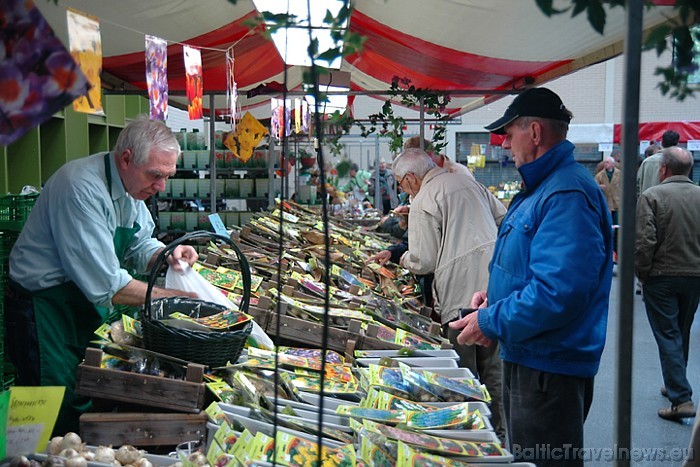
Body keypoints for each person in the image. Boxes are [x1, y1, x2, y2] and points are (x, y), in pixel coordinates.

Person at [449, 87, 613, 467]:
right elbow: (533, 272)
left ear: (535, 133)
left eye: (509, 134)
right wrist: (494, 300)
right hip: (533, 356)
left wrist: (491, 319)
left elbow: (558, 292)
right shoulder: (546, 187)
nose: (505, 144)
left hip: (548, 368)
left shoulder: (565, 193)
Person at [6, 116, 200, 434]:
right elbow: (109, 286)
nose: (161, 187)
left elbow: (140, 244)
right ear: (126, 159)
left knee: (84, 392)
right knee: (50, 405)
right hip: (43, 309)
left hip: (79, 303)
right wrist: (176, 298)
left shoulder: (130, 189)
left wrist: (167, 258)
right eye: (155, 175)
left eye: (168, 177)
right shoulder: (80, 188)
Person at [389, 147, 507, 442]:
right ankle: (501, 435)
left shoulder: (425, 199)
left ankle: (473, 439)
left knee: (463, 372)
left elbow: (423, 260)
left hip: (460, 295)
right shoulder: (468, 181)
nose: (402, 191)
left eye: (401, 184)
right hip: (496, 285)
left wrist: (400, 258)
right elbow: (503, 217)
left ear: (411, 178)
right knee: (494, 368)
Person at [635, 146, 700, 421]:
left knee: (668, 334)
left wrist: (642, 273)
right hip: (694, 275)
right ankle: (676, 381)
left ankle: (681, 398)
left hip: (661, 276)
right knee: (681, 330)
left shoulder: (652, 196)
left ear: (664, 169)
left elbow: (644, 241)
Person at [636, 129, 680, 197]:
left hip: (647, 203)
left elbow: (637, 185)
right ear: (677, 144)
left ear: (661, 142)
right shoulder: (679, 162)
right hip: (669, 205)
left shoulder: (647, 162)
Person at [595, 156, 621, 225]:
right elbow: (594, 186)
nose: (605, 164)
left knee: (617, 222)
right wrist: (599, 186)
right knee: (607, 222)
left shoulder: (620, 174)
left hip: (616, 201)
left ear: (612, 164)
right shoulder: (600, 175)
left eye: (607, 162)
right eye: (605, 162)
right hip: (606, 201)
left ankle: (616, 235)